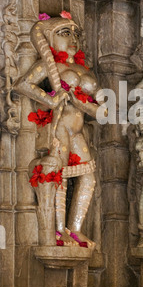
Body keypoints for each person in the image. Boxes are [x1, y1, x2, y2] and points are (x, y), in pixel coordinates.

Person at [14, 12, 102, 248]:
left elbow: (102, 109)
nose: (73, 38)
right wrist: (50, 99)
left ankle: (75, 229)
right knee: (59, 175)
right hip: (59, 126)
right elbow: (22, 84)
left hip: (78, 129)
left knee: (88, 177)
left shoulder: (84, 69)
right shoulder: (48, 65)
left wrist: (86, 105)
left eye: (75, 33)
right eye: (65, 33)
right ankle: (58, 230)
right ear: (50, 39)